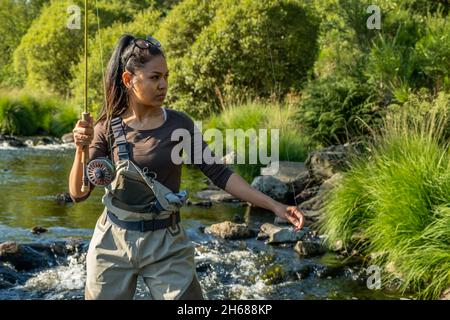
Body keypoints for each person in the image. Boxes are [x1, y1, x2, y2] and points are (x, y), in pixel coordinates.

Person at [69, 34, 304, 300]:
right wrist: (80, 148)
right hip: (112, 241)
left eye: (166, 76)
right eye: (154, 77)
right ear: (128, 80)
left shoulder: (179, 125)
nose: (163, 85)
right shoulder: (105, 128)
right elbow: (79, 194)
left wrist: (275, 206)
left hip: (166, 242)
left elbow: (220, 174)